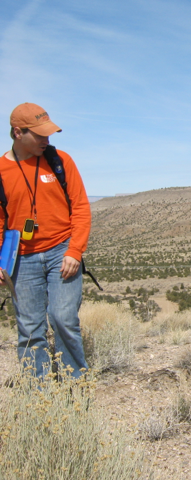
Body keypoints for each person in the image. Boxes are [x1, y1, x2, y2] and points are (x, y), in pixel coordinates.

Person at [0, 103, 92, 378]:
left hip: (61, 252)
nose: (47, 140)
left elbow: (81, 208)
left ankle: (76, 388)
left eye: (48, 133)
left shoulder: (60, 161)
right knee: (30, 329)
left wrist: (75, 251)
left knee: (64, 320)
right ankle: (37, 397)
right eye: (39, 135)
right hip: (21, 260)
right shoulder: (2, 171)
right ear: (18, 132)